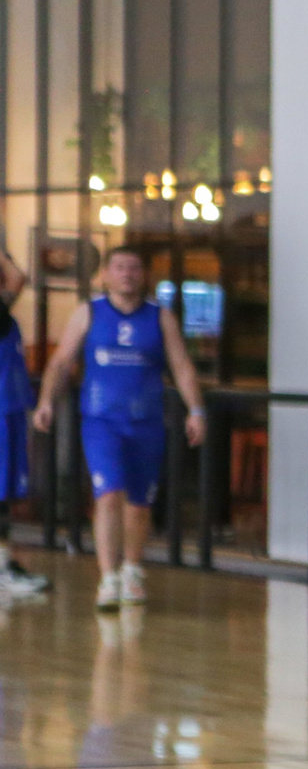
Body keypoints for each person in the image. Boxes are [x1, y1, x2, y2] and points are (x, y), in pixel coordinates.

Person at [32, 244, 205, 611]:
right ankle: (108, 577)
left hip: (146, 423)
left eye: (134, 268)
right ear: (106, 274)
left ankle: (132, 570)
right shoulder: (89, 314)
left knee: (139, 506)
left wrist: (196, 410)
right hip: (101, 421)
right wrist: (47, 400)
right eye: (120, 267)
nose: (127, 274)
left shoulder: (160, 318)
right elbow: (62, 362)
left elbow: (182, 366)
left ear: (143, 275)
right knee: (108, 495)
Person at [0, 243, 50, 599]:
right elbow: (18, 277)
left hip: (11, 412)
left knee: (6, 496)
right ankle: (3, 568)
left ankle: (4, 565)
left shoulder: (6, 317)